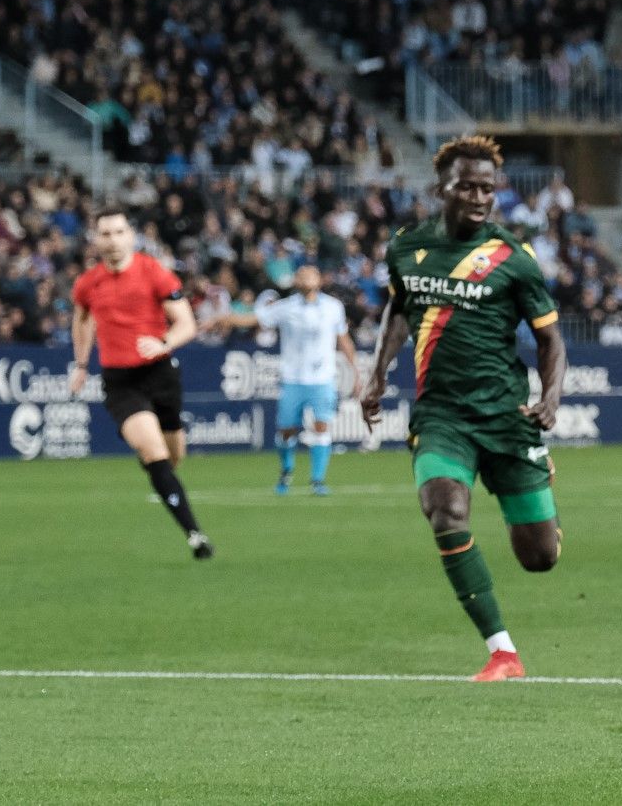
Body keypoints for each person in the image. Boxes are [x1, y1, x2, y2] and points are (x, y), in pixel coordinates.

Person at [361, 135, 569, 683]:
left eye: (488, 188)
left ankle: (536, 474)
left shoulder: (513, 258)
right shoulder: (407, 246)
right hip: (441, 416)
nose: (480, 197)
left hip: (506, 415)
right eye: (468, 187)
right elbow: (399, 309)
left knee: (539, 558)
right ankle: (503, 651)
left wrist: (549, 399)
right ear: (442, 189)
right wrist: (377, 373)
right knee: (446, 512)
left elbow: (550, 340)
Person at [69, 209, 213, 559]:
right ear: (96, 239)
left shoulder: (153, 272)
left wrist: (163, 342)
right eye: (105, 233)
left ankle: (158, 472)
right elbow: (82, 321)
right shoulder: (88, 283)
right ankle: (195, 535)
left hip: (160, 373)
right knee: (154, 452)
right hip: (121, 381)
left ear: (131, 236)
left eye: (119, 232)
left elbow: (186, 324)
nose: (113, 240)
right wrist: (81, 364)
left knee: (173, 453)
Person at [215, 265, 357, 495]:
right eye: (300, 274)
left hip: (323, 379)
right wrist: (227, 319)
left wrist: (356, 371)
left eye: (310, 273)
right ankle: (286, 470)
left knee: (322, 427)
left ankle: (318, 480)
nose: (305, 276)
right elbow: (254, 318)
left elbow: (344, 339)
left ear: (319, 279)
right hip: (293, 379)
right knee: (286, 431)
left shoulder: (334, 307)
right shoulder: (286, 307)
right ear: (296, 281)